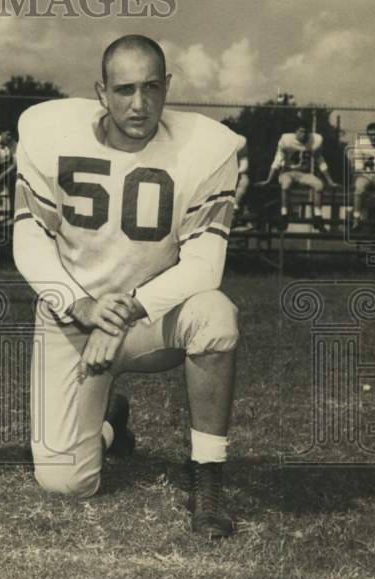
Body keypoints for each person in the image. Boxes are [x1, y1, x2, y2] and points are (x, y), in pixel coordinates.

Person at [14, 34, 241, 538]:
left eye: (151, 88)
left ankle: (207, 478)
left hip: (149, 320)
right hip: (73, 320)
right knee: (65, 484)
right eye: (124, 90)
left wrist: (124, 312)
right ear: (101, 91)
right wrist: (81, 305)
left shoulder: (206, 149)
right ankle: (111, 419)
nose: (139, 104)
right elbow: (28, 240)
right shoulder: (49, 136)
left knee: (215, 314)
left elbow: (205, 265)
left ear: (168, 87)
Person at [257, 122, 336, 231]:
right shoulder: (286, 140)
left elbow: (320, 160)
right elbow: (277, 160)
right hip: (287, 172)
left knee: (319, 185)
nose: (303, 134)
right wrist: (268, 180)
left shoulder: (315, 140)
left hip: (304, 173)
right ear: (295, 132)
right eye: (300, 131)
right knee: (286, 184)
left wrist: (330, 180)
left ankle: (318, 217)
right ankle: (284, 216)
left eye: (305, 132)